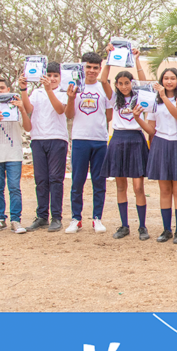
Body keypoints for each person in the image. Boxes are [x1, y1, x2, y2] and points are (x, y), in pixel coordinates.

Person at [135, 68, 177, 244]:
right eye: (166, 78)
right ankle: (167, 229)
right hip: (161, 144)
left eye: (172, 78)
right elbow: (151, 129)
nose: (169, 81)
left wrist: (163, 95)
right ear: (162, 80)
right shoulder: (154, 100)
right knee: (165, 190)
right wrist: (138, 119)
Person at [100, 45, 149, 240]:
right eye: (120, 83)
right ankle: (124, 225)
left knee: (138, 187)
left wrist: (137, 59)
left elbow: (145, 82)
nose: (123, 86)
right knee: (121, 187)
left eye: (126, 82)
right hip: (118, 140)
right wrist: (109, 57)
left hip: (136, 140)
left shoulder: (140, 97)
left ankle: (143, 226)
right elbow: (103, 80)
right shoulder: (113, 98)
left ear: (131, 83)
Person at [65, 51, 112, 234]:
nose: (91, 71)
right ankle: (76, 218)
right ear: (82, 67)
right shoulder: (74, 88)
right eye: (88, 67)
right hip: (79, 139)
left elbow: (109, 115)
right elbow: (69, 115)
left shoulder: (104, 89)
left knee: (99, 181)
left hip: (100, 140)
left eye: (95, 68)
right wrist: (70, 98)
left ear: (100, 69)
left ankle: (97, 218)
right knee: (77, 181)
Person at [21, 62, 68, 233]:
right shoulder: (37, 92)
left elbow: (60, 110)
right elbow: (28, 108)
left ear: (60, 77)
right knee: (41, 179)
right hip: (38, 138)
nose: (52, 79)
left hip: (57, 138)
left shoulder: (63, 92)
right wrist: (23, 89)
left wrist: (49, 90)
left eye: (56, 76)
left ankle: (56, 217)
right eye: (49, 75)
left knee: (55, 179)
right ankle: (42, 216)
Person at [0, 76, 32, 234]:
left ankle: (16, 220)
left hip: (13, 154)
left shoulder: (16, 106)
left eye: (2, 88)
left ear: (8, 90)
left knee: (14, 188)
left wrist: (22, 109)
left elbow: (28, 127)